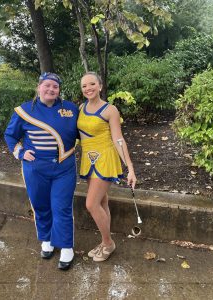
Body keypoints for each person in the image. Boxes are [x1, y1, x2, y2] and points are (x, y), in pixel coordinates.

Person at [4, 72, 79, 270]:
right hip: (35, 168)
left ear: (59, 90)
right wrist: (20, 152)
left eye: (55, 87)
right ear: (39, 87)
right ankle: (46, 239)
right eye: (47, 86)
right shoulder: (24, 110)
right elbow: (10, 135)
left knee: (61, 207)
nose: (51, 89)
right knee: (40, 205)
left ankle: (66, 246)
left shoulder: (71, 109)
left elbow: (87, 130)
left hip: (64, 167)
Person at [77, 72, 137, 262]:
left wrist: (130, 168)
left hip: (105, 159)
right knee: (102, 202)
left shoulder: (110, 110)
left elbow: (118, 139)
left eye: (92, 84)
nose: (88, 88)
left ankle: (108, 243)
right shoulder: (81, 107)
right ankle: (104, 243)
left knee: (91, 204)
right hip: (88, 159)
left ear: (100, 86)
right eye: (84, 86)